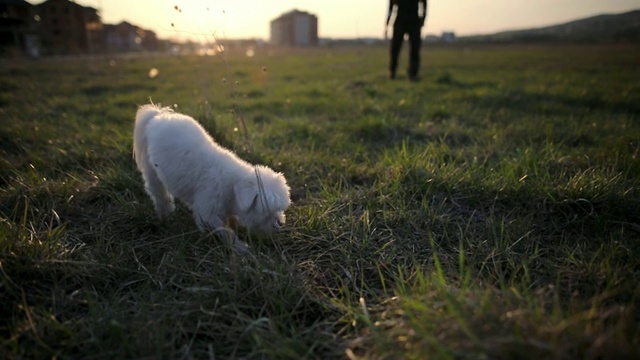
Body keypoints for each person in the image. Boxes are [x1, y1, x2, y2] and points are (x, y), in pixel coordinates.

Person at [386, 0, 427, 81]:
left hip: (411, 20)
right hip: (405, 19)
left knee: (413, 49)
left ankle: (411, 74)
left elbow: (391, 7)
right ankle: (394, 72)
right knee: (396, 49)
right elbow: (391, 7)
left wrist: (423, 18)